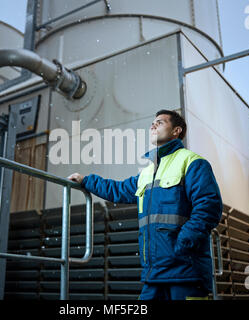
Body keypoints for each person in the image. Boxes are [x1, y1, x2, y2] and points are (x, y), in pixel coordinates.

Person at [67, 109, 222, 300]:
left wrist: (184, 242)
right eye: (152, 123)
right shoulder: (147, 172)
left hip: (186, 271)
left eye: (160, 122)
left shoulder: (192, 162)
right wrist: (86, 181)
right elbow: (119, 189)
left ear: (177, 131)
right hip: (154, 273)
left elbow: (208, 206)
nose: (153, 125)